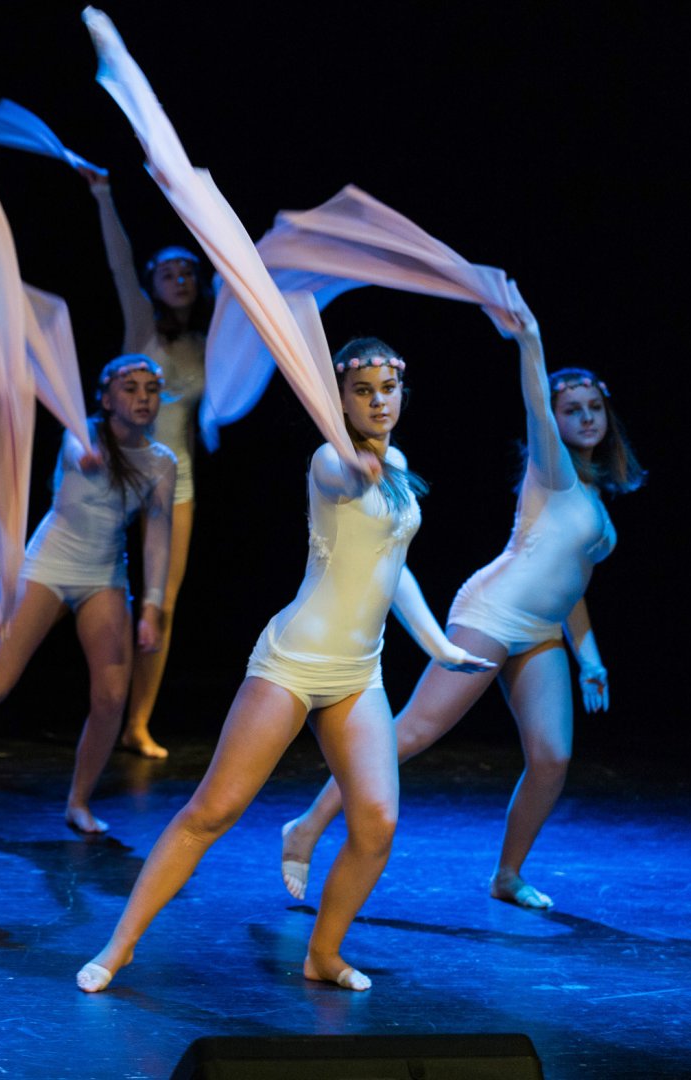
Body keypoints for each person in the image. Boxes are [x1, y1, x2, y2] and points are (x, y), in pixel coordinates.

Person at [77, 339, 496, 994]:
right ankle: (120, 945)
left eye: (387, 389)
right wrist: (357, 464)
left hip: (360, 673)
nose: (378, 401)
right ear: (340, 400)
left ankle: (322, 954)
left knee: (377, 824)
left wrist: (438, 645)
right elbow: (349, 480)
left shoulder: (397, 463)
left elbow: (393, 563)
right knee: (213, 811)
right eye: (363, 391)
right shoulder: (331, 461)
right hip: (294, 662)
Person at [280, 319, 642, 910]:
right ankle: (307, 825)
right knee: (414, 732)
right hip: (493, 613)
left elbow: (572, 585)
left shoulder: (596, 495)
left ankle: (507, 875)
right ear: (555, 421)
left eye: (593, 408)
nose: (585, 417)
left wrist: (591, 660)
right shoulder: (552, 469)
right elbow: (535, 403)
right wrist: (530, 343)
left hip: (542, 632)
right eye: (572, 409)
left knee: (552, 757)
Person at [0, 355, 175, 835]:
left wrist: (151, 605)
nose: (143, 397)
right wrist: (89, 453)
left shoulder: (162, 462)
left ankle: (79, 802)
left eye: (151, 389)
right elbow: (80, 452)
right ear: (107, 399)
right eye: (130, 388)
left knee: (112, 697)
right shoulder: (81, 434)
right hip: (46, 566)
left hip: (104, 576)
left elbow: (158, 537)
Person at [88, 175, 211, 759]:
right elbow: (117, 266)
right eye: (168, 272)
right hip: (118, 468)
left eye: (188, 272)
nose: (179, 280)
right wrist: (103, 197)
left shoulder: (209, 342)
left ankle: (137, 723)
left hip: (174, 475)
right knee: (65, 582)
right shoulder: (142, 326)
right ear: (154, 283)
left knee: (162, 600)